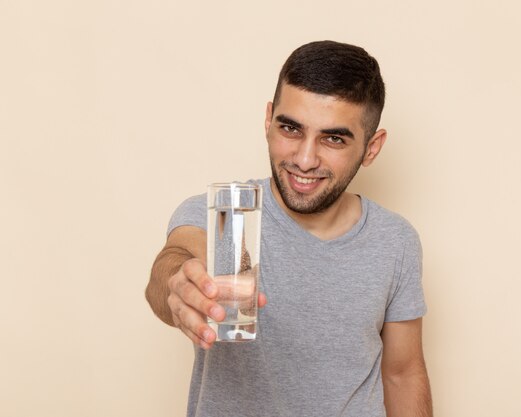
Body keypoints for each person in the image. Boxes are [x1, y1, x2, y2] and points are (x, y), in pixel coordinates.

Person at [145, 40, 433, 417]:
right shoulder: (228, 216)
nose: (304, 158)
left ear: (371, 147)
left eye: (333, 138)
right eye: (291, 128)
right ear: (269, 120)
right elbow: (177, 259)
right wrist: (181, 286)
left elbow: (402, 373)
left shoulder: (395, 242)